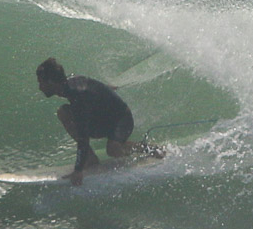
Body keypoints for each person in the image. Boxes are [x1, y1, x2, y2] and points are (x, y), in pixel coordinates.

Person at [36, 57, 160, 185]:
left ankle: (148, 149)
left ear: (51, 82)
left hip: (122, 119)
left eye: (41, 83)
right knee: (63, 112)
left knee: (113, 149)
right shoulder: (70, 83)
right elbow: (90, 85)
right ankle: (91, 159)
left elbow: (83, 137)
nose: (40, 88)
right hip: (102, 119)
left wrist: (78, 170)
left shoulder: (78, 97)